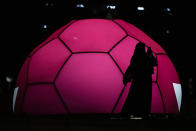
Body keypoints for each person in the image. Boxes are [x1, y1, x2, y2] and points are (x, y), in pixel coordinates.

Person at [121, 42, 157, 118]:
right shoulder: (144, 56)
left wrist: (127, 76)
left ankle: (132, 112)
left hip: (139, 80)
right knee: (142, 97)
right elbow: (153, 63)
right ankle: (141, 113)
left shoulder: (137, 56)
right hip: (144, 80)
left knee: (135, 96)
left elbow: (131, 67)